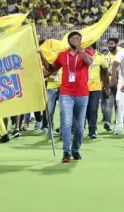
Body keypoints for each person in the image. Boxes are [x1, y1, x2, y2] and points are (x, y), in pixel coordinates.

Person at [39, 31, 93, 163]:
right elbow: (52, 69)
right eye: (75, 38)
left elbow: (89, 62)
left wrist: (80, 49)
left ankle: (75, 149)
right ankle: (66, 152)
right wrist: (42, 57)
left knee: (80, 126)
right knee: (66, 123)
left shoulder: (86, 52)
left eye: (79, 38)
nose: (77, 40)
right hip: (66, 93)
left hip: (82, 93)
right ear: (69, 41)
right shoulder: (63, 55)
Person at [86, 43, 109, 139]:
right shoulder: (83, 55)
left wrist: (105, 85)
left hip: (96, 88)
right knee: (86, 110)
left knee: (93, 109)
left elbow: (105, 70)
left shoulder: (100, 57)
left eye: (87, 47)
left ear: (92, 48)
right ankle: (90, 128)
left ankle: (92, 130)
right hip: (83, 87)